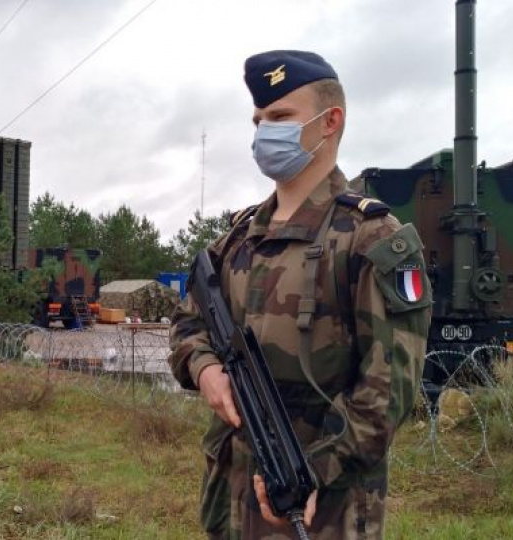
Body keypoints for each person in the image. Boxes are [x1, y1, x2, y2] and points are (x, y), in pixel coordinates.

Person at [168, 50, 432, 539]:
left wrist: (315, 472)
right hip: (231, 497)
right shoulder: (237, 239)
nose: (264, 133)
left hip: (322, 507)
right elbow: (188, 323)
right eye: (258, 121)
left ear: (330, 122)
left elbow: (387, 392)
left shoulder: (372, 240)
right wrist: (204, 369)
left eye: (281, 117)